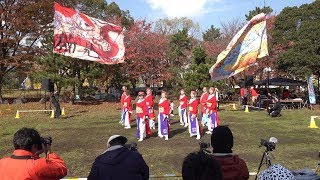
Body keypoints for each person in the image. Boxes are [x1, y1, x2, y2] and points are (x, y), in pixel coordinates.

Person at [0, 127, 67, 179]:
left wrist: (35, 154)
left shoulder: (2, 162)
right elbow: (61, 169)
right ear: (34, 146)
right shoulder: (37, 165)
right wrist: (49, 151)